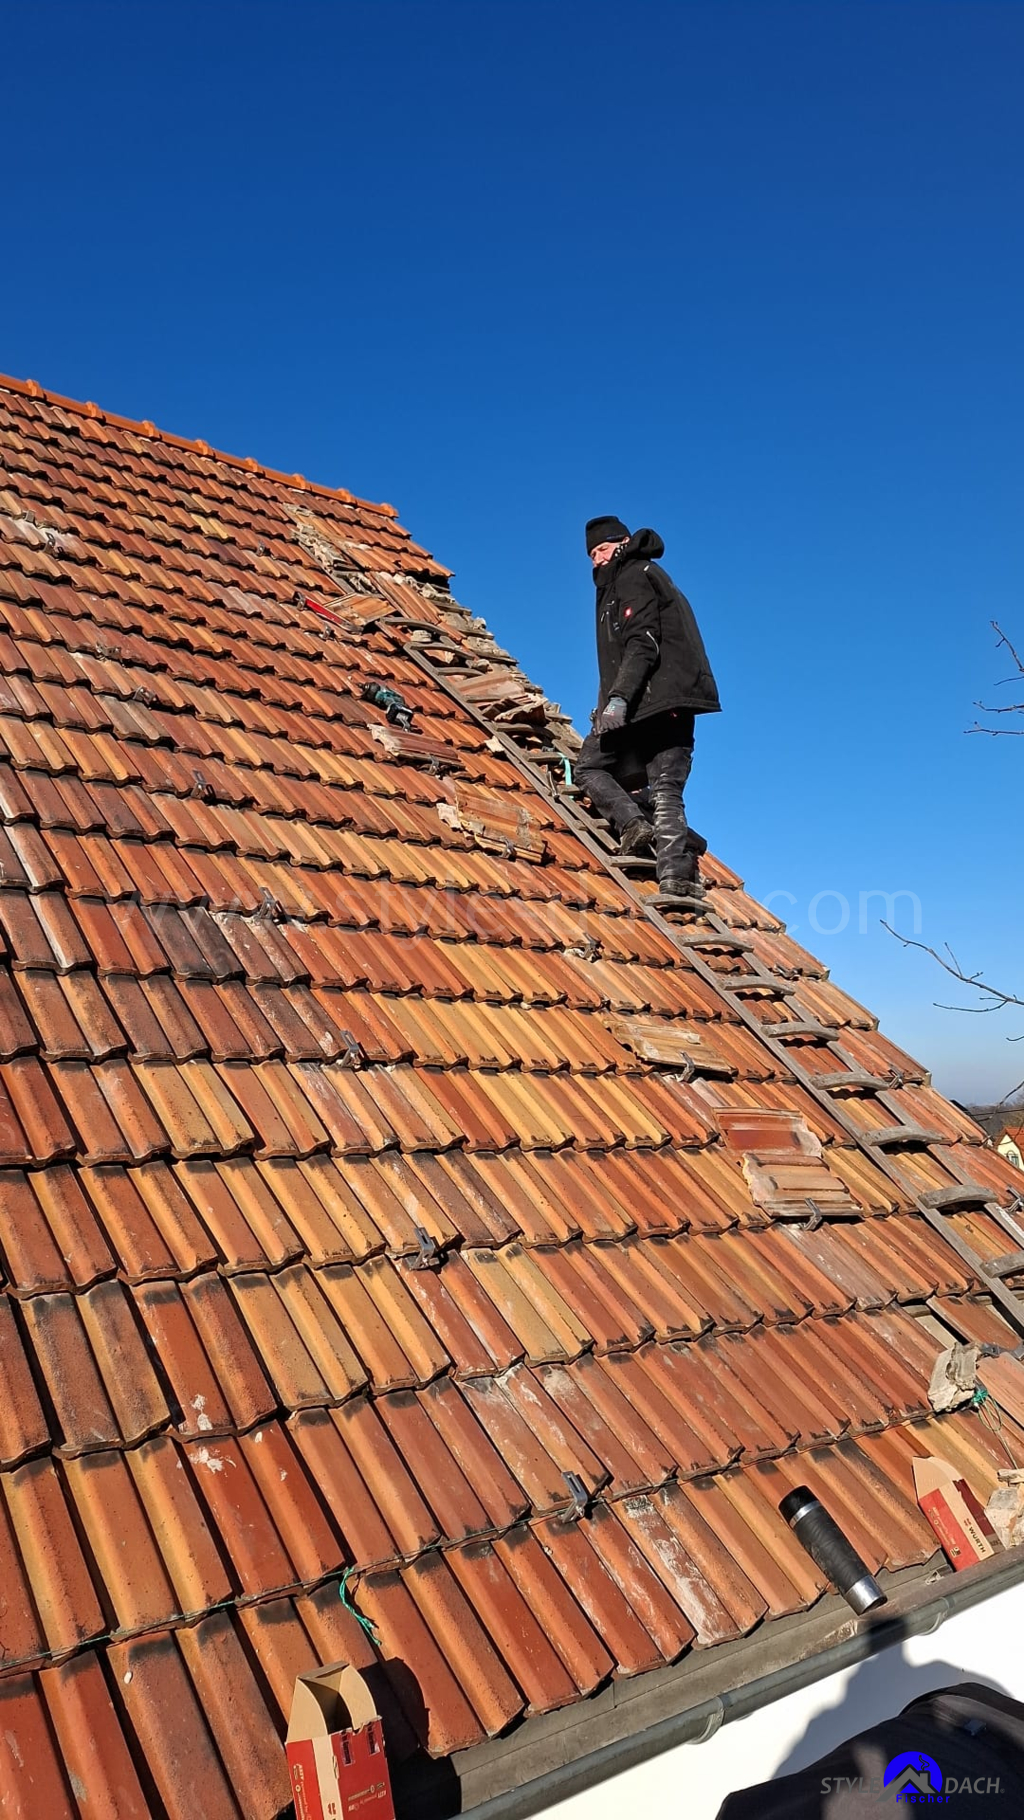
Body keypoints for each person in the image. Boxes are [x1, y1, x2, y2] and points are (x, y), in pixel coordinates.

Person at [576, 514, 720, 898]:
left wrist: (619, 700)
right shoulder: (619, 583)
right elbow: (615, 661)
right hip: (656, 700)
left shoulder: (634, 574)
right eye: (591, 554)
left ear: (622, 543)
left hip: (653, 700)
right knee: (665, 787)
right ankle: (673, 873)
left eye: (602, 549)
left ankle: (633, 826)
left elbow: (643, 642)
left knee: (593, 767)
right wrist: (606, 702)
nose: (596, 559)